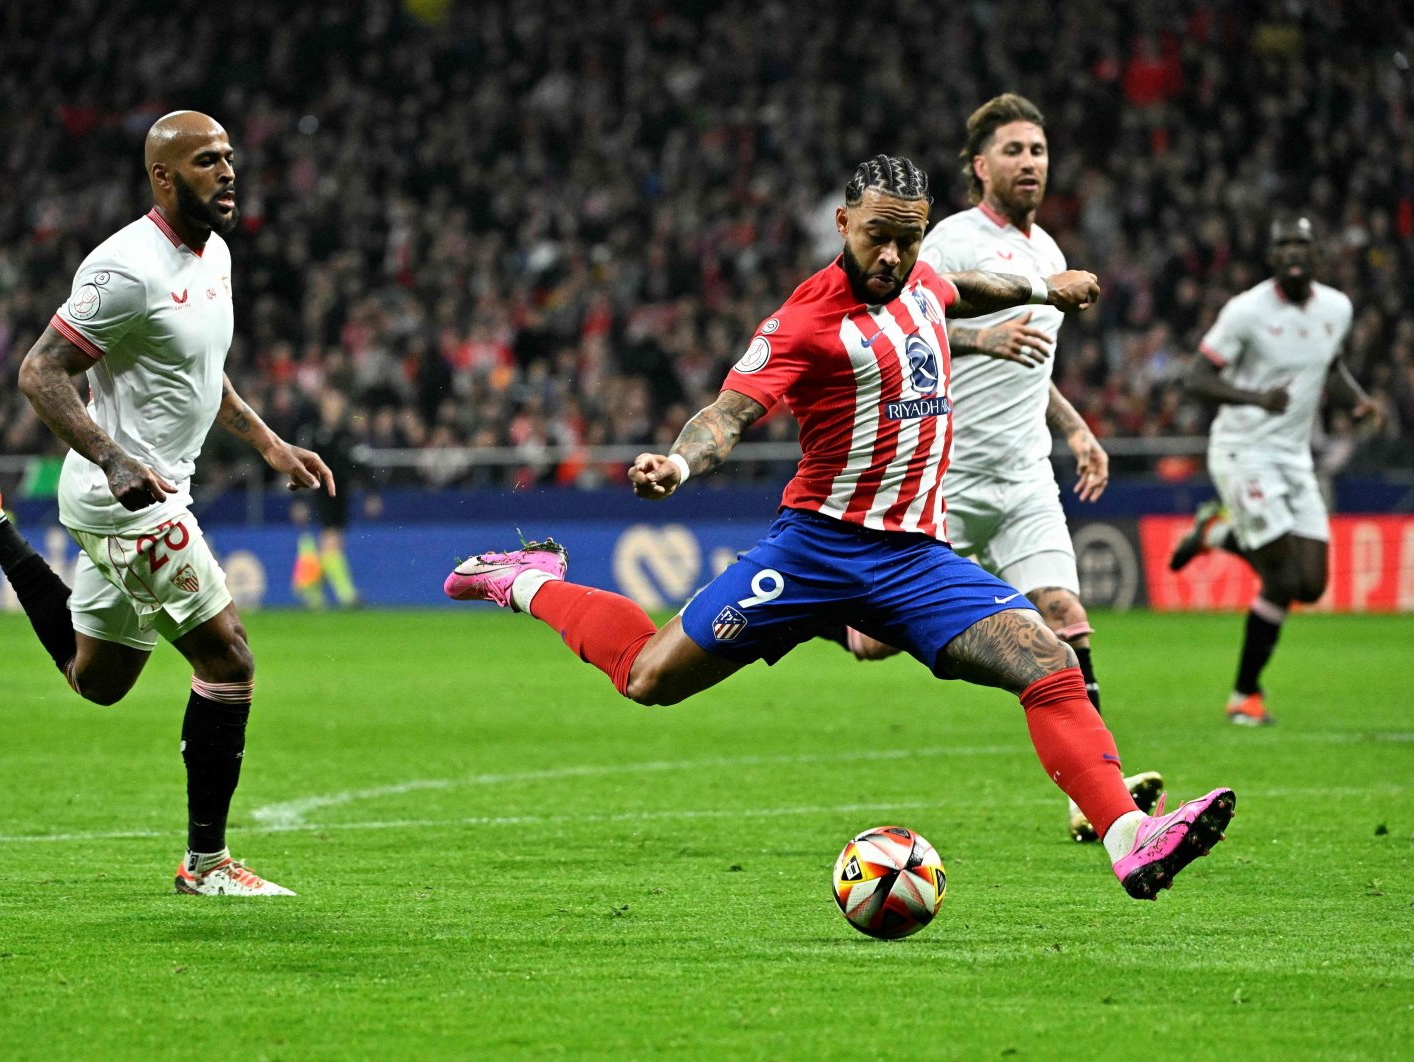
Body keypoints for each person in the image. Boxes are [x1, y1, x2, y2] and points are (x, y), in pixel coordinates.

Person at [445, 154, 1235, 902]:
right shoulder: (803, 320)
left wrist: (1040, 290)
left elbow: (965, 285)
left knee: (1045, 658)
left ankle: (1128, 835)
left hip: (917, 559)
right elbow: (727, 414)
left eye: (907, 238)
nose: (892, 255)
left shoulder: (923, 280)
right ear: (842, 223)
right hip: (816, 550)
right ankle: (527, 580)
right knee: (648, 677)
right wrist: (681, 467)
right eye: (876, 237)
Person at [0, 111, 333, 896]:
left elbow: (202, 372)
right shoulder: (127, 266)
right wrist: (113, 455)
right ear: (163, 177)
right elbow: (39, 371)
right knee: (228, 659)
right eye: (205, 161)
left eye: (229, 157)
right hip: (125, 492)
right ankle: (208, 866)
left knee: (98, 681)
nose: (227, 172)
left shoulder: (215, 254)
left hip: (148, 485)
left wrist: (267, 443)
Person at [823, 95, 1162, 844]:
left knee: (1067, 618)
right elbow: (902, 318)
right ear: (980, 166)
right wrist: (982, 338)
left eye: (1038, 150)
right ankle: (819, 601)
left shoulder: (1047, 256)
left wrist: (1079, 432)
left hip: (1025, 475)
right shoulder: (949, 240)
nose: (1030, 162)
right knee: (871, 642)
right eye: (1013, 151)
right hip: (948, 477)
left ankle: (1095, 799)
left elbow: (1031, 368)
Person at [1169, 216, 1379, 726]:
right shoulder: (1245, 312)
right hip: (1243, 451)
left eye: (1302, 244)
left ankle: (1219, 535)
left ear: (1317, 253)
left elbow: (1326, 365)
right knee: (1282, 574)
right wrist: (1255, 397)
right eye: (1283, 244)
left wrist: (1357, 402)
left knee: (1307, 585)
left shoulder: (1338, 308)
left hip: (1293, 456)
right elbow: (1195, 378)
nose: (1293, 253)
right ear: (1270, 257)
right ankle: (1245, 696)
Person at [292, 388, 362, 609]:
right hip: (318, 492)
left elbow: (356, 464)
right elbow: (299, 465)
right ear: (323, 408)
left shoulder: (347, 435)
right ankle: (346, 594)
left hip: (340, 494)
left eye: (337, 406)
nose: (334, 410)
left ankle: (310, 589)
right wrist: (299, 498)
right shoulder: (312, 433)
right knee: (329, 541)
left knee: (331, 542)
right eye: (330, 405)